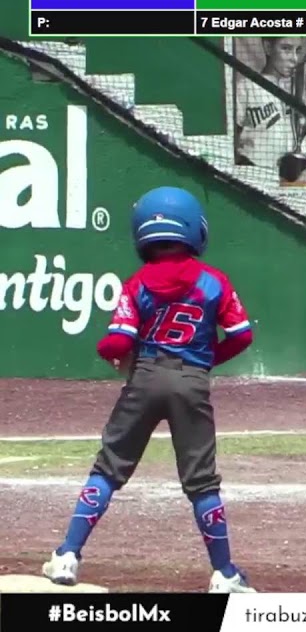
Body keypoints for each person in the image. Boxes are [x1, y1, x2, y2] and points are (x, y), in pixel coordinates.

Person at [41, 186, 256, 593]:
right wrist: (205, 360)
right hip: (192, 382)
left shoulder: (137, 283)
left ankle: (68, 555)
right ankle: (225, 573)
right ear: (194, 229)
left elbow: (118, 342)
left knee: (109, 469)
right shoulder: (214, 282)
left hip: (144, 377)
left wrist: (108, 352)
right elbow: (242, 335)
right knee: (202, 482)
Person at [233, 37, 306, 185]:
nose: (294, 59)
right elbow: (232, 144)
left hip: (301, 180)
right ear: (268, 47)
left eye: (298, 51)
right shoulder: (245, 88)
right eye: (286, 49)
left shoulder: (305, 88)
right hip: (256, 180)